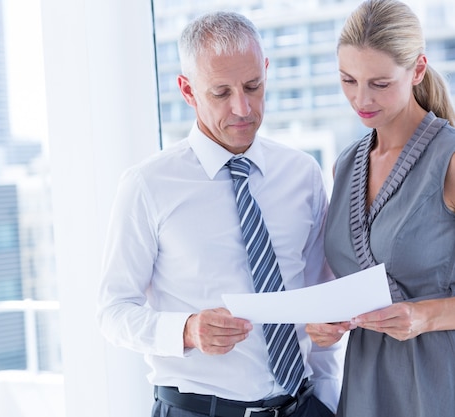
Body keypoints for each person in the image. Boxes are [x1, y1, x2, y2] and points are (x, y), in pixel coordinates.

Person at [97, 10, 343, 417]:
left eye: (253, 86)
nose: (243, 108)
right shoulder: (148, 185)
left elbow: (319, 303)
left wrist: (329, 401)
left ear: (266, 70)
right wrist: (186, 330)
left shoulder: (302, 174)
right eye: (221, 93)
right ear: (188, 90)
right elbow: (112, 310)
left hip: (301, 406)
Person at [305, 1, 455, 416]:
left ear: (418, 70)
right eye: (348, 80)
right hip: (367, 384)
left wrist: (425, 316)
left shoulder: (450, 160)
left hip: (439, 381)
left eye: (380, 83)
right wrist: (324, 326)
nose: (361, 98)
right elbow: (345, 282)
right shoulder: (347, 163)